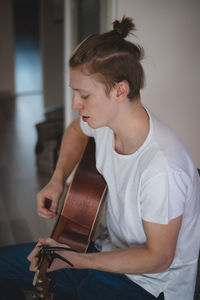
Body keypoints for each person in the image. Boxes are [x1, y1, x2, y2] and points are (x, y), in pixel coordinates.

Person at [0, 16, 199, 300]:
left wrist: (76, 260)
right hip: (104, 258)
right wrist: (58, 180)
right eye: (74, 93)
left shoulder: (163, 168)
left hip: (148, 285)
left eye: (83, 95)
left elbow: (159, 258)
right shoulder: (104, 123)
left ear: (120, 90)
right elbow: (74, 130)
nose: (74, 105)